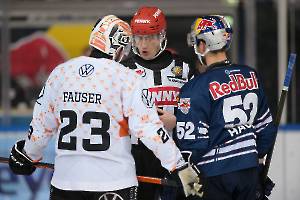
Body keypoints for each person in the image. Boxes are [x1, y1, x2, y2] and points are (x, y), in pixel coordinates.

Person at [8, 15, 202, 200]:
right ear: (117, 46)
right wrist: (179, 166)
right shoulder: (127, 77)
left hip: (66, 182)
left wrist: (27, 154)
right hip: (114, 183)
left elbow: (42, 125)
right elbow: (148, 128)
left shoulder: (61, 73)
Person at [175, 15, 276, 200]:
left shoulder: (194, 88)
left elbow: (191, 144)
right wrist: (254, 159)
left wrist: (184, 173)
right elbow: (266, 129)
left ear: (203, 45)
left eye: (198, 42)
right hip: (249, 171)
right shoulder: (250, 75)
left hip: (214, 177)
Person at [121, 6, 191, 200]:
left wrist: (177, 121)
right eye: (138, 37)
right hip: (137, 153)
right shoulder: (123, 70)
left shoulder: (183, 67)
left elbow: (198, 111)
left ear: (162, 35)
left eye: (149, 37)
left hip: (175, 149)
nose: (144, 44)